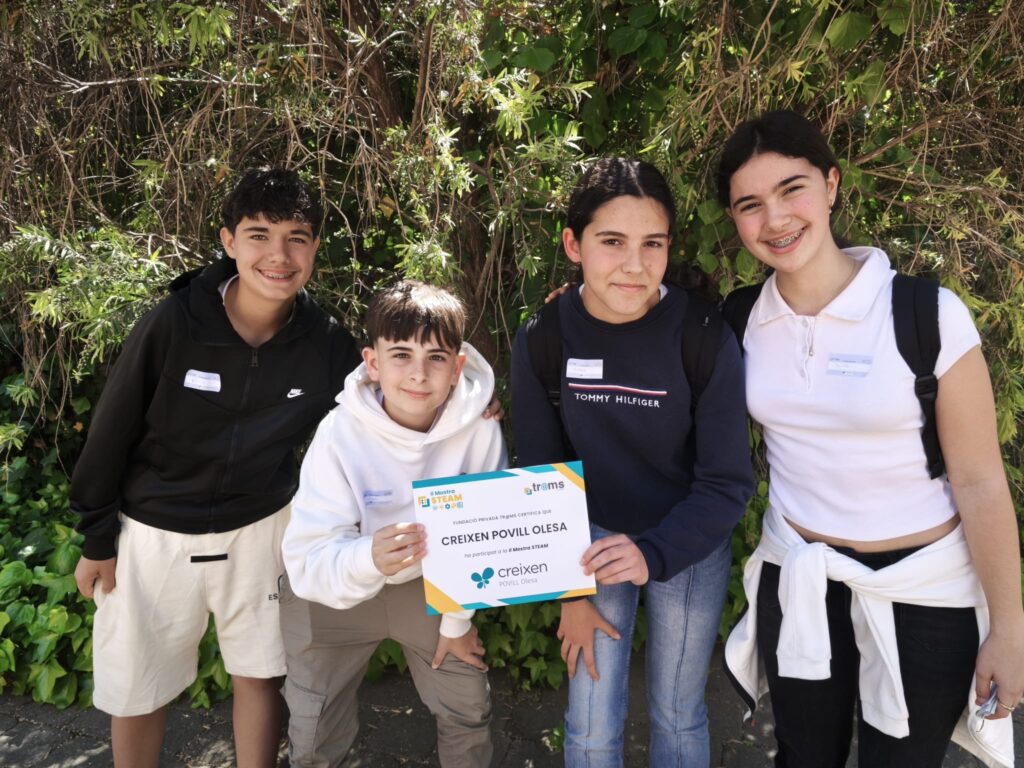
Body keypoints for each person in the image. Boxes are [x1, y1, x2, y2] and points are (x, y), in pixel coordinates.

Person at [719, 110, 1023, 767]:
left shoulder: (926, 314)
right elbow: (654, 370)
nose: (775, 219)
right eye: (750, 204)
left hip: (925, 591)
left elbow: (979, 480)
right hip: (800, 576)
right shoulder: (740, 321)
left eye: (792, 189)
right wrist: (573, 317)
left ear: (831, 185)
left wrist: (1010, 629)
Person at [70, 168, 362, 767]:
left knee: (261, 674)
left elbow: (384, 405)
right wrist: (97, 537)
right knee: (138, 687)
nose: (278, 255)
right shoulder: (175, 321)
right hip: (152, 531)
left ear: (314, 247)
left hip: (262, 528)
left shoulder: (326, 340)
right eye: (259, 235)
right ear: (229, 241)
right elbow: (110, 430)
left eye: (296, 237)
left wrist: (468, 404)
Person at [511, 158, 754, 767]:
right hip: (586, 544)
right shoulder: (544, 335)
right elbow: (541, 477)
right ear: (574, 245)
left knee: (678, 714)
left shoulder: (702, 334)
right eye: (612, 242)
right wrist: (569, 593)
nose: (635, 265)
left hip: (687, 539)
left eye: (653, 244)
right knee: (590, 721)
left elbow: (726, 482)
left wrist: (655, 553)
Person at [279, 280, 506, 767]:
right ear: (373, 362)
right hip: (333, 588)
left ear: (457, 367)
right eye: (401, 355)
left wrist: (457, 622)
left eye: (436, 358)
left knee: (467, 707)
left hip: (431, 588)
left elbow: (482, 540)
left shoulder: (482, 429)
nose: (419, 374)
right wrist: (368, 557)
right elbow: (308, 555)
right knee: (314, 726)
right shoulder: (338, 431)